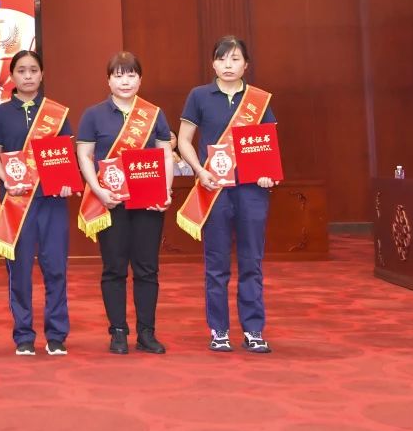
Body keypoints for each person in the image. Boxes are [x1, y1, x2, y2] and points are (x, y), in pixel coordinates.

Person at [176, 36, 278, 354]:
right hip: (214, 189)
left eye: (235, 59)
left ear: (246, 65)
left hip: (251, 191)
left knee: (252, 263)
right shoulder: (199, 96)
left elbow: (267, 144)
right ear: (213, 63)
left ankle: (253, 330)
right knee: (216, 264)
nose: (228, 65)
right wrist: (199, 170)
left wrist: (267, 173)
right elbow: (183, 140)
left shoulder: (258, 100)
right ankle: (218, 330)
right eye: (222, 59)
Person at [76, 52, 173, 355]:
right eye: (118, 75)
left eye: (131, 75)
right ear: (108, 80)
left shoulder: (154, 114)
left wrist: (165, 190)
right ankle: (118, 331)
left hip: (148, 203)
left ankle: (146, 333)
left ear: (140, 79)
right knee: (114, 268)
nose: (125, 81)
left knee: (147, 269)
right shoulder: (93, 115)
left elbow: (166, 154)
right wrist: (98, 191)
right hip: (111, 202)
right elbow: (84, 156)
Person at [0, 50, 73, 356]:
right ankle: (23, 334)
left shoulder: (56, 112)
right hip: (16, 199)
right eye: (21, 70)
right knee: (19, 269)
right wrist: (6, 181)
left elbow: (64, 154)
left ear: (42, 74)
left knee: (55, 266)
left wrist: (65, 182)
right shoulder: (0, 113)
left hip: (52, 199)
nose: (28, 76)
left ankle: (56, 334)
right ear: (12, 76)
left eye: (33, 70)